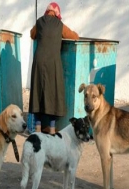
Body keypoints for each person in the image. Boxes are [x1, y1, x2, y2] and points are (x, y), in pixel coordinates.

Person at [29, 2, 79, 134]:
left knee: (37, 92)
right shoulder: (60, 25)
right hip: (53, 64)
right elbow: (74, 37)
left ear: (47, 12)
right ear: (57, 13)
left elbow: (32, 34)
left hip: (39, 62)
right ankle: (52, 130)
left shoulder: (39, 22)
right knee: (54, 94)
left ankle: (38, 130)